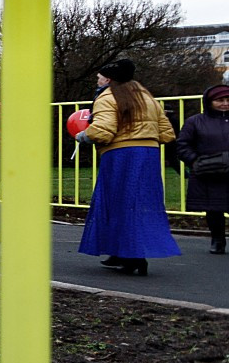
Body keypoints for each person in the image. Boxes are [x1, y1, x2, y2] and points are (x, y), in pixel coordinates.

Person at [77, 58, 179, 275]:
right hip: (149, 154)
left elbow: (103, 131)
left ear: (108, 78)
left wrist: (83, 136)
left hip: (121, 154)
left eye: (99, 77)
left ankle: (131, 257)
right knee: (139, 203)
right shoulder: (146, 96)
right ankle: (125, 253)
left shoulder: (107, 96)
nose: (97, 80)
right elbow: (167, 132)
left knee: (116, 203)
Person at [174, 84, 229, 255]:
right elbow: (183, 145)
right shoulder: (195, 121)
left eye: (228, 100)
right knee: (214, 209)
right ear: (209, 101)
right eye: (220, 100)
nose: (225, 104)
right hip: (209, 171)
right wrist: (195, 161)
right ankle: (217, 239)